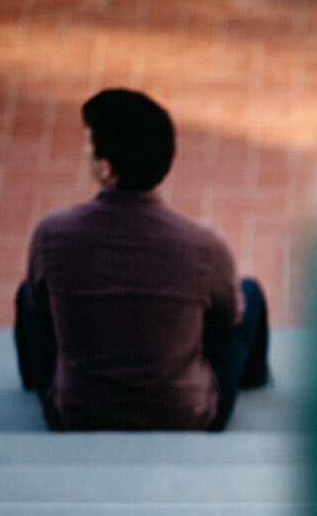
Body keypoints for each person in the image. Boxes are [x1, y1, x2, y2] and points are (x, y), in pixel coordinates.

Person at [14, 88, 270, 432]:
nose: (85, 151)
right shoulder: (204, 246)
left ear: (107, 169)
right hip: (185, 417)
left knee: (28, 295)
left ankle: (34, 382)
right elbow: (228, 317)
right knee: (247, 294)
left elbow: (40, 308)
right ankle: (254, 379)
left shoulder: (51, 234)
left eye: (90, 144)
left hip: (76, 415)